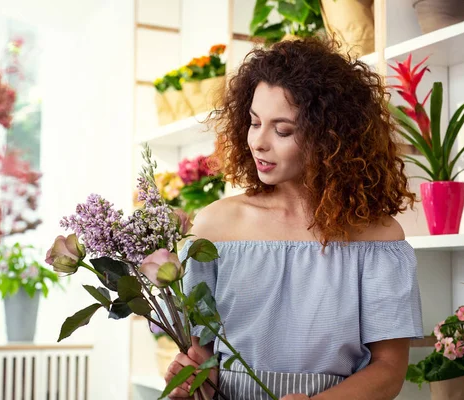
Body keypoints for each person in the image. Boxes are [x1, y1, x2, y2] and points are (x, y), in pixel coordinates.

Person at [164, 38, 423, 400]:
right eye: (254, 123)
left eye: (282, 130)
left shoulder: (378, 240)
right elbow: (203, 356)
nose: (258, 142)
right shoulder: (213, 229)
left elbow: (389, 370)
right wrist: (189, 379)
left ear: (329, 137)